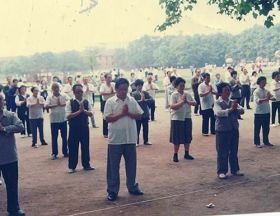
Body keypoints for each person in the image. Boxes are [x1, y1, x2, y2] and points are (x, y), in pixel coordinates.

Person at [104, 78, 144, 201]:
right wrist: (122, 113)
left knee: (131, 165)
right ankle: (112, 190)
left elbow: (139, 115)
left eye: (125, 89)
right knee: (113, 167)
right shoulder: (110, 102)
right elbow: (108, 118)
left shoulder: (131, 100)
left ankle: (132, 186)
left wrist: (128, 114)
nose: (123, 92)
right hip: (115, 139)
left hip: (130, 138)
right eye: (121, 89)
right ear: (116, 89)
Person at [0, 94, 25, 216]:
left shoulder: (10, 115)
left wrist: (4, 129)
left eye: (1, 100)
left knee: (11, 185)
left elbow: (21, 127)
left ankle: (14, 209)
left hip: (8, 156)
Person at [214, 82, 244, 179]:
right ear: (220, 93)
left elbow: (242, 110)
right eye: (225, 90)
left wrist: (237, 109)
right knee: (222, 151)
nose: (228, 92)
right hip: (222, 130)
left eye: (228, 90)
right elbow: (219, 113)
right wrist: (231, 109)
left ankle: (235, 170)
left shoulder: (232, 101)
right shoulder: (217, 102)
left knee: (234, 150)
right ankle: (221, 171)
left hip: (233, 129)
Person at [66, 84, 95, 173]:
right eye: (78, 92)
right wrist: (79, 111)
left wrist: (84, 111)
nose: (80, 93)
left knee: (85, 146)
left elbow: (91, 113)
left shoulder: (86, 102)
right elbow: (68, 116)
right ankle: (72, 166)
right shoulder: (70, 102)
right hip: (74, 128)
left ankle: (86, 164)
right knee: (73, 147)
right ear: (74, 92)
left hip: (84, 127)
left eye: (81, 91)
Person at [170, 77, 196, 162]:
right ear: (176, 86)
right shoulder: (174, 95)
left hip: (187, 117)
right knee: (176, 138)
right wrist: (182, 102)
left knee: (187, 136)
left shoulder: (187, 94)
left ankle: (187, 153)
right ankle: (175, 154)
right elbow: (172, 106)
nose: (182, 87)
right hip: (177, 118)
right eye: (180, 85)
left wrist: (187, 102)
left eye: (183, 85)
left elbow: (195, 103)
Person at [45, 83, 68, 160]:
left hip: (63, 119)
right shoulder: (49, 97)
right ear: (52, 89)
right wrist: (54, 105)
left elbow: (70, 101)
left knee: (64, 137)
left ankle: (65, 152)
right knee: (54, 137)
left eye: (57, 87)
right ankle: (54, 153)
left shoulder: (64, 95)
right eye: (54, 88)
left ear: (59, 88)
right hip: (54, 120)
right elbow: (46, 106)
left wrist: (62, 104)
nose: (56, 89)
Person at [253, 76, 274, 148]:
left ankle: (266, 141)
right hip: (258, 113)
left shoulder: (267, 91)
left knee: (266, 128)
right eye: (263, 82)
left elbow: (273, 98)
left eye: (265, 82)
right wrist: (267, 98)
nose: (264, 83)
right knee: (257, 128)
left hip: (266, 112)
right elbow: (258, 101)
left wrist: (271, 97)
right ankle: (257, 142)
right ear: (259, 82)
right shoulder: (256, 91)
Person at [132, 79, 153, 146]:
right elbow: (133, 103)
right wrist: (140, 101)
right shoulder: (133, 94)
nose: (140, 87)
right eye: (138, 85)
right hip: (137, 114)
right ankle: (136, 141)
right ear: (136, 86)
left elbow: (151, 100)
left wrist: (145, 100)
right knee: (137, 128)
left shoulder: (145, 93)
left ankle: (146, 141)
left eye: (141, 85)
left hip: (145, 113)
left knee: (146, 128)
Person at [99, 73, 115, 138]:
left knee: (113, 115)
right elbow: (101, 93)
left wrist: (113, 92)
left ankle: (113, 131)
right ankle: (105, 133)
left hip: (113, 102)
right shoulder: (103, 85)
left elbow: (116, 91)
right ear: (105, 78)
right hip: (105, 102)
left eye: (110, 77)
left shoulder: (113, 84)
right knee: (105, 117)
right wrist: (110, 93)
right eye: (108, 77)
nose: (110, 79)